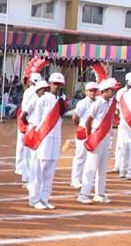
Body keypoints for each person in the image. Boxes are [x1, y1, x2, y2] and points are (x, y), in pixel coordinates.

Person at [26, 73, 65, 210]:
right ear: (50, 84)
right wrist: (36, 137)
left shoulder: (61, 100)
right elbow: (36, 121)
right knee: (38, 169)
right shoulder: (43, 99)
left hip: (56, 138)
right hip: (43, 137)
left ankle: (44, 198)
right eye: (54, 83)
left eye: (59, 84)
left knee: (50, 171)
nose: (56, 86)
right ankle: (34, 199)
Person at [78, 78, 118, 205]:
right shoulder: (97, 103)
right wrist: (89, 136)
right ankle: (84, 193)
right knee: (91, 165)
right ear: (105, 91)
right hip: (97, 135)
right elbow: (88, 120)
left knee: (102, 167)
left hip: (105, 135)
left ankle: (99, 193)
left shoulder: (110, 103)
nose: (114, 92)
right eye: (112, 90)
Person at [15, 73, 43, 186]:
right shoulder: (34, 93)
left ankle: (21, 168)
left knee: (23, 146)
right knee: (28, 149)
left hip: (27, 119)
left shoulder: (30, 91)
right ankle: (25, 172)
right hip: (29, 121)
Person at [70, 82, 99, 188]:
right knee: (80, 156)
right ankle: (75, 179)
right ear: (86, 92)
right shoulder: (82, 103)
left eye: (95, 90)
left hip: (93, 131)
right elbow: (75, 117)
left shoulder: (97, 102)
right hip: (83, 130)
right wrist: (80, 126)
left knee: (90, 157)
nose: (93, 93)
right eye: (91, 90)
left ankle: (86, 178)